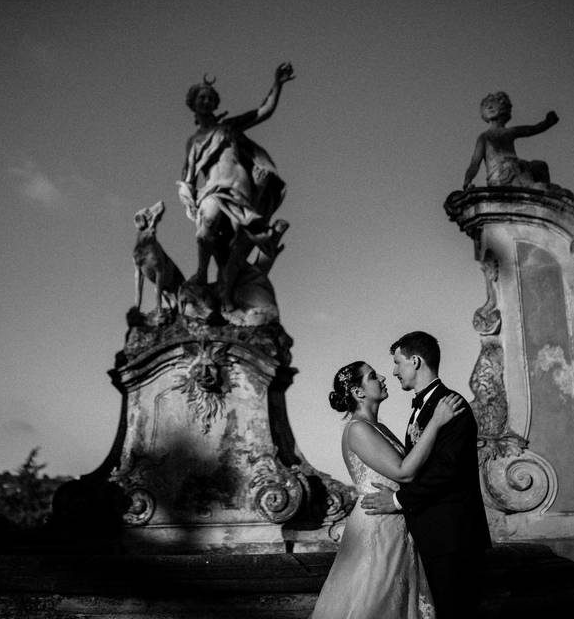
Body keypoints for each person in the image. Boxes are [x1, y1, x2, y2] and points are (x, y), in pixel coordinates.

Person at [311, 360, 467, 619]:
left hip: (395, 523)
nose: (383, 377)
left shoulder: (379, 428)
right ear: (358, 392)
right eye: (373, 376)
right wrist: (437, 422)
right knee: (373, 601)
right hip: (377, 525)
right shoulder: (358, 429)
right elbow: (404, 472)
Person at [361, 332, 491, 618]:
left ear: (415, 361)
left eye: (398, 363)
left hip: (453, 538)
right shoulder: (423, 407)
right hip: (433, 535)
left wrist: (396, 501)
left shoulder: (452, 405)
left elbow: (446, 472)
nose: (393, 371)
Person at [176, 63, 293, 312]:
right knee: (206, 223)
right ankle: (200, 273)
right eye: (201, 97)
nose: (206, 101)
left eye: (210, 97)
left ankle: (227, 296)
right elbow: (187, 177)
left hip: (242, 192)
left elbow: (264, 112)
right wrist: (188, 197)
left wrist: (277, 84)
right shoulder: (194, 141)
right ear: (194, 104)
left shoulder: (228, 127)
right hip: (213, 191)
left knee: (234, 252)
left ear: (215, 103)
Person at [462, 91, 557, 190]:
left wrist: (548, 123)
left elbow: (532, 129)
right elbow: (474, 164)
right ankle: (534, 187)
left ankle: (544, 191)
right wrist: (467, 182)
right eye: (486, 106)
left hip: (516, 168)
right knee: (522, 173)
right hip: (500, 174)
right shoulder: (484, 137)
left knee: (540, 165)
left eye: (493, 105)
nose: (489, 107)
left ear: (504, 108)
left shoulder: (510, 132)